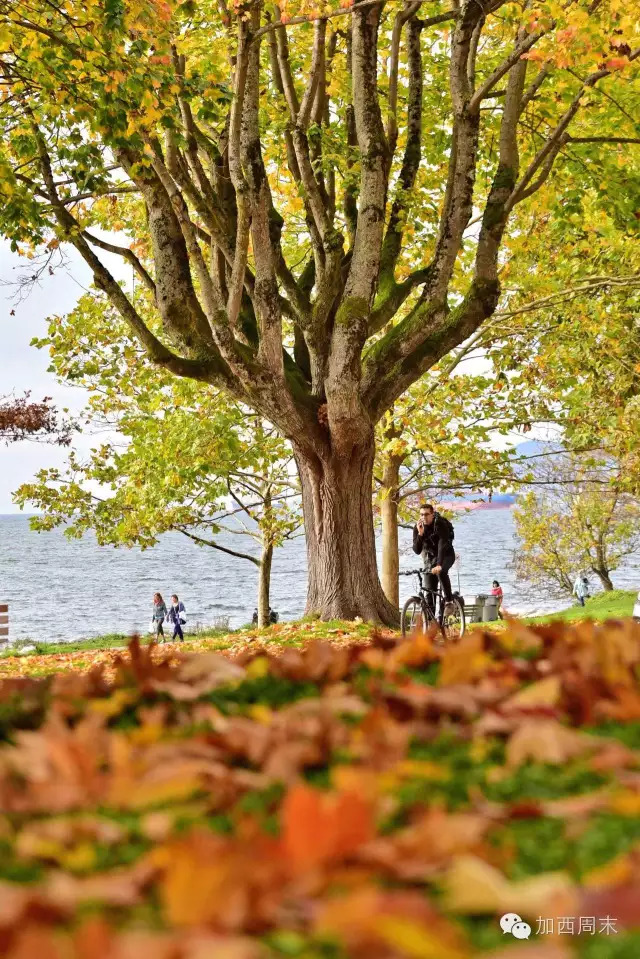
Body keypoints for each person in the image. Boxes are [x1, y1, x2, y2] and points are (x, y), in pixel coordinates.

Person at [412, 503, 456, 615]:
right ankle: (431, 625)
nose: (424, 517)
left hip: (446, 555)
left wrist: (439, 565)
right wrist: (420, 534)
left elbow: (442, 545)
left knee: (441, 572)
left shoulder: (440, 524)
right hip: (430, 559)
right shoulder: (417, 527)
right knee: (429, 592)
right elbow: (417, 550)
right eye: (421, 514)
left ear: (432, 514)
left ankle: (449, 601)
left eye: (426, 514)